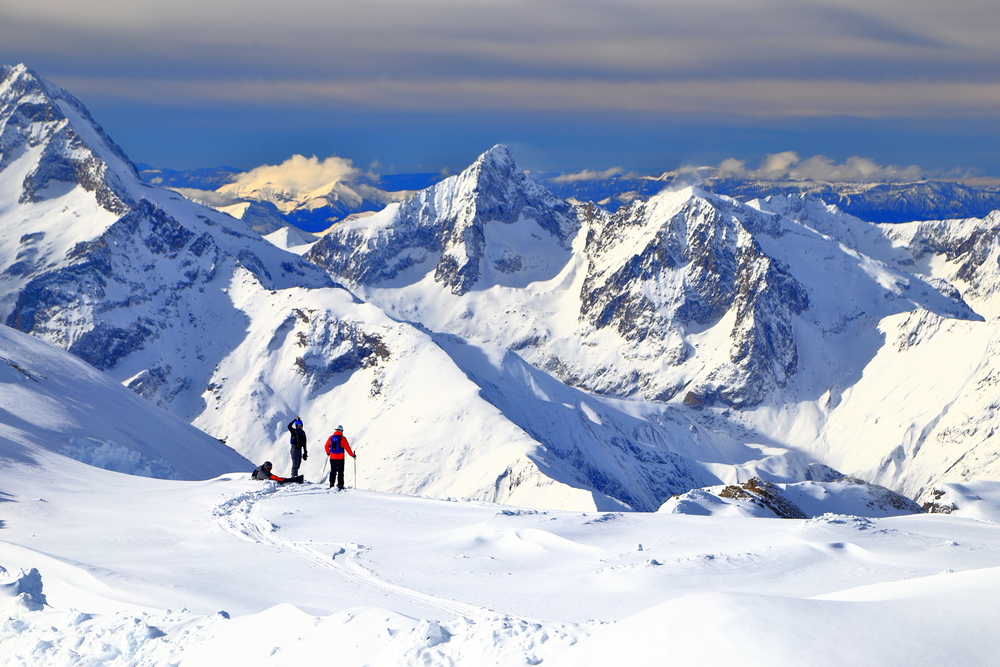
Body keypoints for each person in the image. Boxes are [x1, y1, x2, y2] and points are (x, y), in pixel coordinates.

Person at [324, 425, 356, 491]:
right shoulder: (343, 438)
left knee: (333, 471)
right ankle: (340, 485)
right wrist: (353, 455)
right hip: (340, 458)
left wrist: (328, 453)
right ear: (341, 431)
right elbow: (347, 448)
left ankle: (331, 484)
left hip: (332, 458)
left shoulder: (331, 438)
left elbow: (326, 446)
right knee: (340, 472)